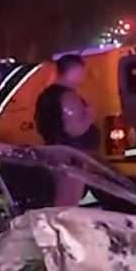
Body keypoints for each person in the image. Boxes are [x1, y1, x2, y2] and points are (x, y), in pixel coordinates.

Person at [34, 54, 99, 206]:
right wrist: (89, 116)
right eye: (82, 72)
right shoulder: (68, 96)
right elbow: (74, 129)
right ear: (75, 71)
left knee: (60, 199)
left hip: (55, 153)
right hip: (71, 157)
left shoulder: (46, 95)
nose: (83, 77)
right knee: (69, 199)